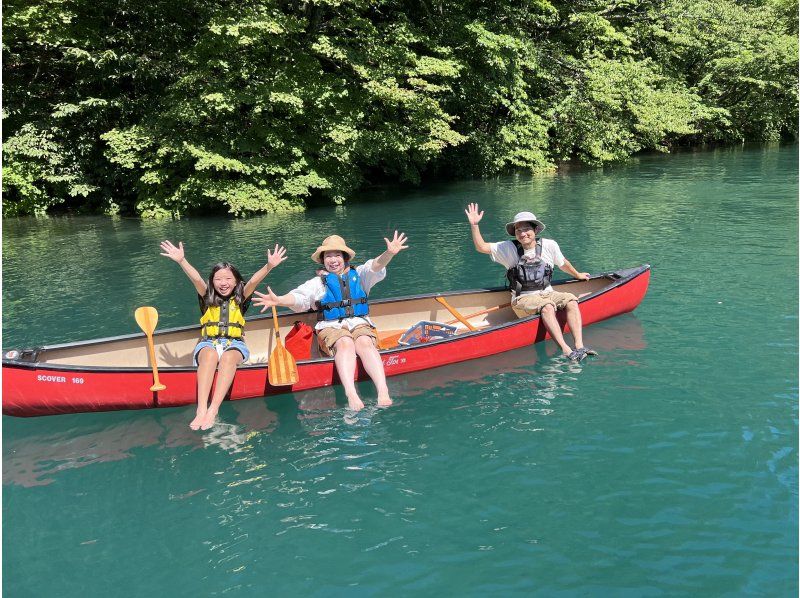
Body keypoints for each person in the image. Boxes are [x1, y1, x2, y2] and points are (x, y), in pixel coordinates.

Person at [252, 232, 409, 411]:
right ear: (322, 260)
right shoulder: (317, 283)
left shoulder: (361, 274)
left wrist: (389, 253)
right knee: (345, 343)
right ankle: (351, 393)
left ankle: (383, 391)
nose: (333, 260)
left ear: (345, 258)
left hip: (359, 322)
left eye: (337, 255)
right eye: (328, 256)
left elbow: (376, 265)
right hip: (330, 326)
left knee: (365, 342)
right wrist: (279, 300)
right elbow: (298, 298)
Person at [160, 240, 287, 429]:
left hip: (235, 344)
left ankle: (214, 409)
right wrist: (182, 261)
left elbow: (253, 281)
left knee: (228, 358)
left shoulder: (241, 297)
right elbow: (196, 279)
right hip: (208, 342)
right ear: (212, 281)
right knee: (210, 355)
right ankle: (201, 409)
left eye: (228, 278)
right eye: (218, 279)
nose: (223, 283)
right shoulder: (206, 296)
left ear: (236, 281)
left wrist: (268, 266)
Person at [465, 203, 597, 362]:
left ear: (535, 230)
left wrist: (578, 275)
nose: (522, 233)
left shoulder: (549, 245)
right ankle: (566, 350)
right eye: (518, 230)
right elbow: (481, 247)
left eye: (526, 229)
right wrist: (474, 225)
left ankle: (580, 346)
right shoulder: (507, 248)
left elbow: (562, 263)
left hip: (547, 293)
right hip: (522, 299)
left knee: (571, 300)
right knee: (547, 307)